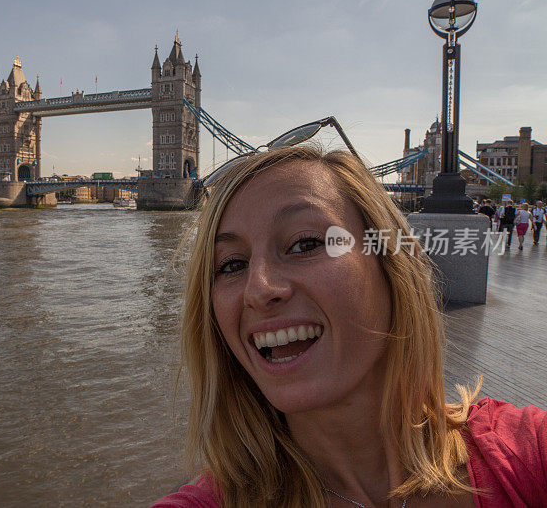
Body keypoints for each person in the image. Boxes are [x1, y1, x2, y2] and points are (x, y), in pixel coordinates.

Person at [152, 143, 547, 508]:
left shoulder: (526, 455)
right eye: (232, 265)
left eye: (305, 243)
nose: (259, 289)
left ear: (391, 267)